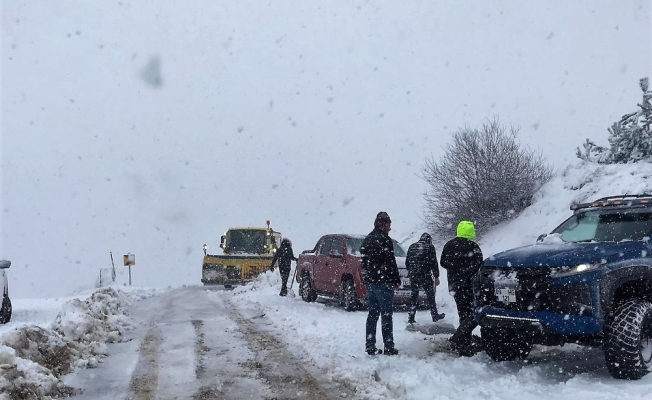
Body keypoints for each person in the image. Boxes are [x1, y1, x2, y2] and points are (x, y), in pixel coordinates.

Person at [360, 211, 402, 356]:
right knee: (386, 315)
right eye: (389, 224)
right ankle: (389, 346)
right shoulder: (385, 240)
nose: (390, 227)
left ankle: (370, 345)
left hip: (371, 282)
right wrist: (396, 279)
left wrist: (367, 277)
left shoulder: (367, 239)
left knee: (372, 314)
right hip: (384, 282)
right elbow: (390, 261)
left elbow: (363, 261)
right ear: (383, 225)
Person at [440, 220, 484, 356]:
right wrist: (467, 271)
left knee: (462, 312)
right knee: (473, 313)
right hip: (469, 285)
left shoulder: (449, 245)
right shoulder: (473, 246)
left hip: (455, 285)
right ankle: (460, 337)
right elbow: (479, 265)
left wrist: (455, 268)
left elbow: (443, 263)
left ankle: (463, 339)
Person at [406, 233, 446, 324]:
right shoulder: (429, 247)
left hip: (413, 275)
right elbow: (434, 263)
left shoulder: (412, 246)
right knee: (430, 296)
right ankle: (434, 315)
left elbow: (407, 262)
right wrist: (436, 276)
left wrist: (411, 272)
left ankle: (411, 317)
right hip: (424, 275)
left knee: (414, 296)